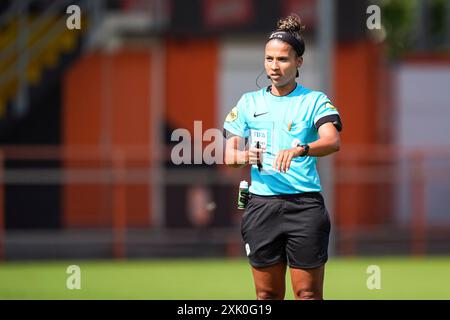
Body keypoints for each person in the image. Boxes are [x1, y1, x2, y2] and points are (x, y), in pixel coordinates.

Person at [223, 14, 342, 300]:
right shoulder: (249, 102)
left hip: (305, 206)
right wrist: (244, 155)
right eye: (269, 59)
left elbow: (332, 141)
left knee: (308, 294)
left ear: (298, 62)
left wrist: (301, 149)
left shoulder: (314, 101)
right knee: (266, 296)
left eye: (282, 59)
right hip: (262, 207)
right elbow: (229, 156)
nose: (274, 67)